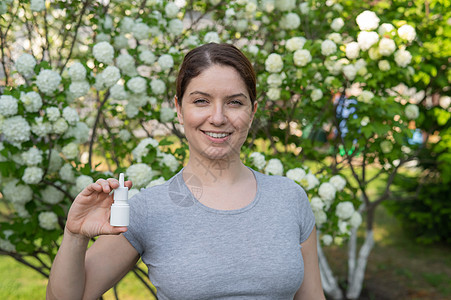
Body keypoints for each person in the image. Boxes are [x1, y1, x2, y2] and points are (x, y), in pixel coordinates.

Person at [46, 43, 325, 300]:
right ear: (179, 109)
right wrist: (75, 235)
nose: (217, 117)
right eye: (201, 101)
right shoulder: (148, 210)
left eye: (235, 102)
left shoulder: (290, 198)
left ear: (252, 112)